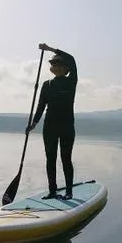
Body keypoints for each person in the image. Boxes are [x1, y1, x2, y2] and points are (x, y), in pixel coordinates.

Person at [26, 43, 77, 200]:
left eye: (61, 65)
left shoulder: (71, 81)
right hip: (50, 127)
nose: (58, 67)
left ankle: (69, 191)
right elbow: (41, 106)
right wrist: (34, 123)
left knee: (66, 158)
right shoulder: (47, 85)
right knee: (50, 160)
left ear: (67, 68)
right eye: (55, 65)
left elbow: (72, 59)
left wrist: (50, 49)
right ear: (51, 69)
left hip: (67, 127)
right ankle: (52, 191)